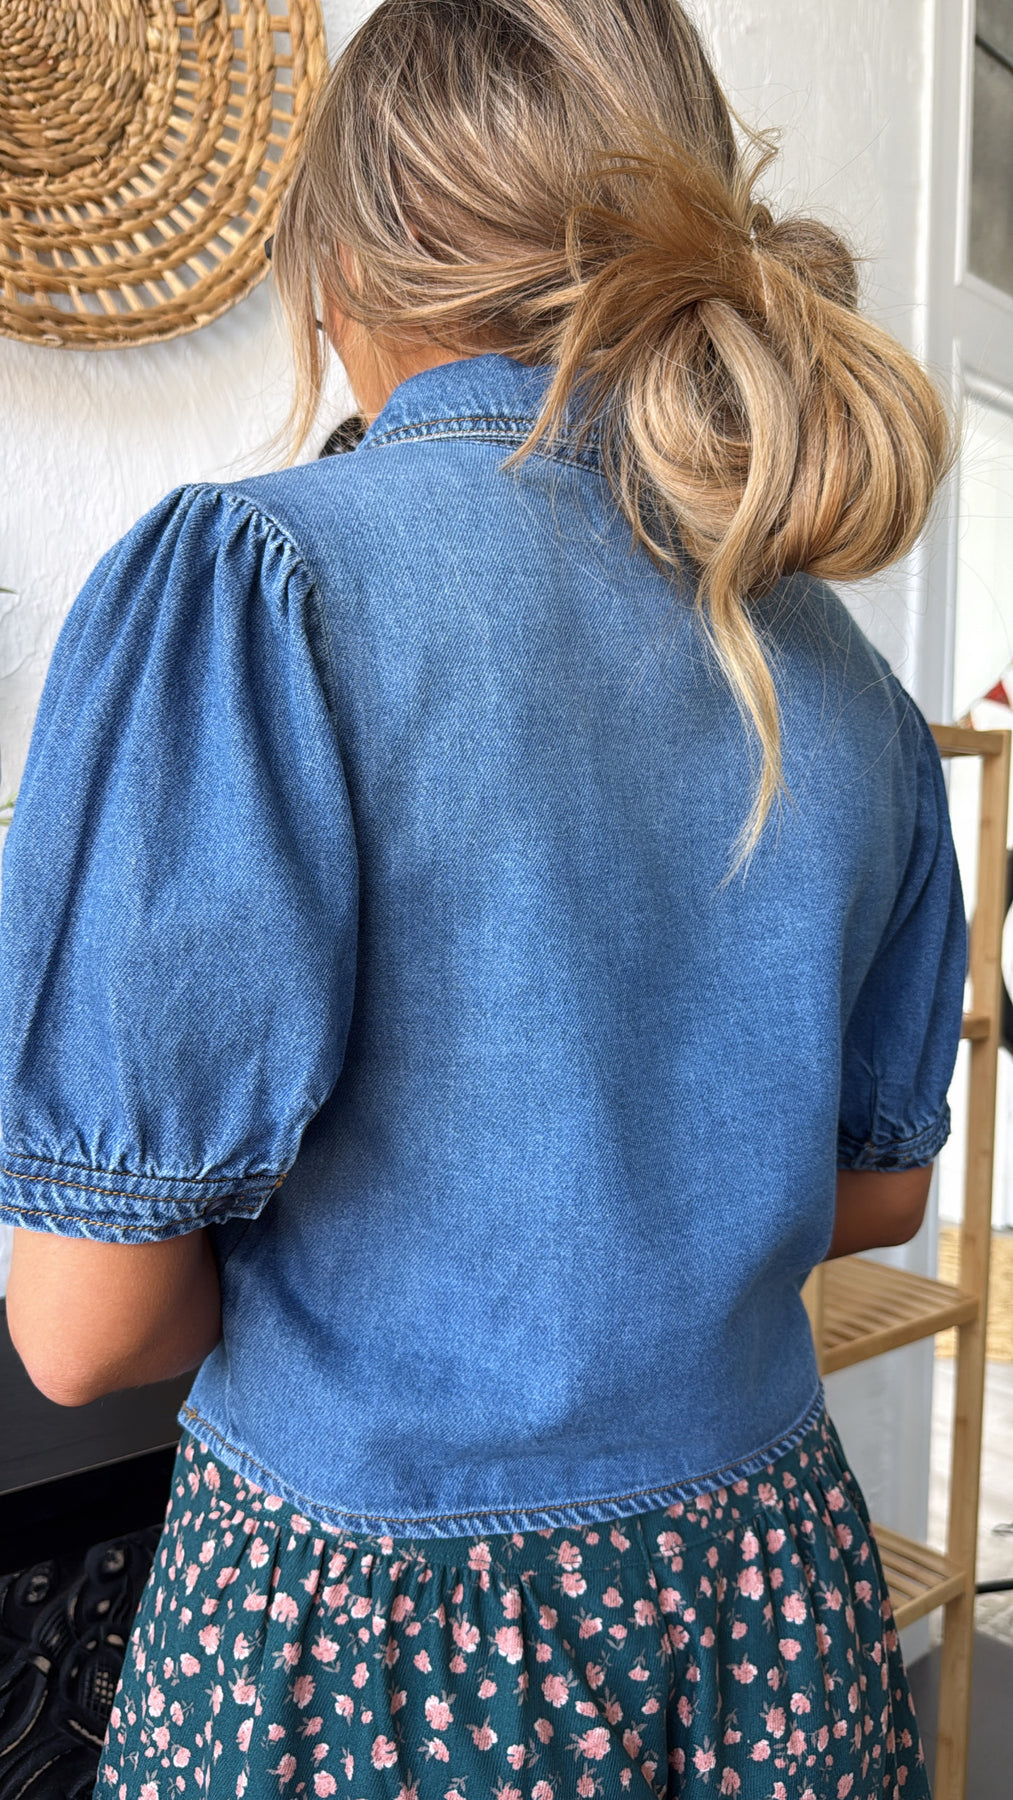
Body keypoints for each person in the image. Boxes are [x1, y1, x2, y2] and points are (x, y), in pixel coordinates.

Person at [0, 2, 965, 1795]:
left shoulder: (268, 587)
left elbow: (81, 1332)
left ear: (337, 271)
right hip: (769, 1604)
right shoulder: (842, 675)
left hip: (379, 1637)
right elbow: (880, 1190)